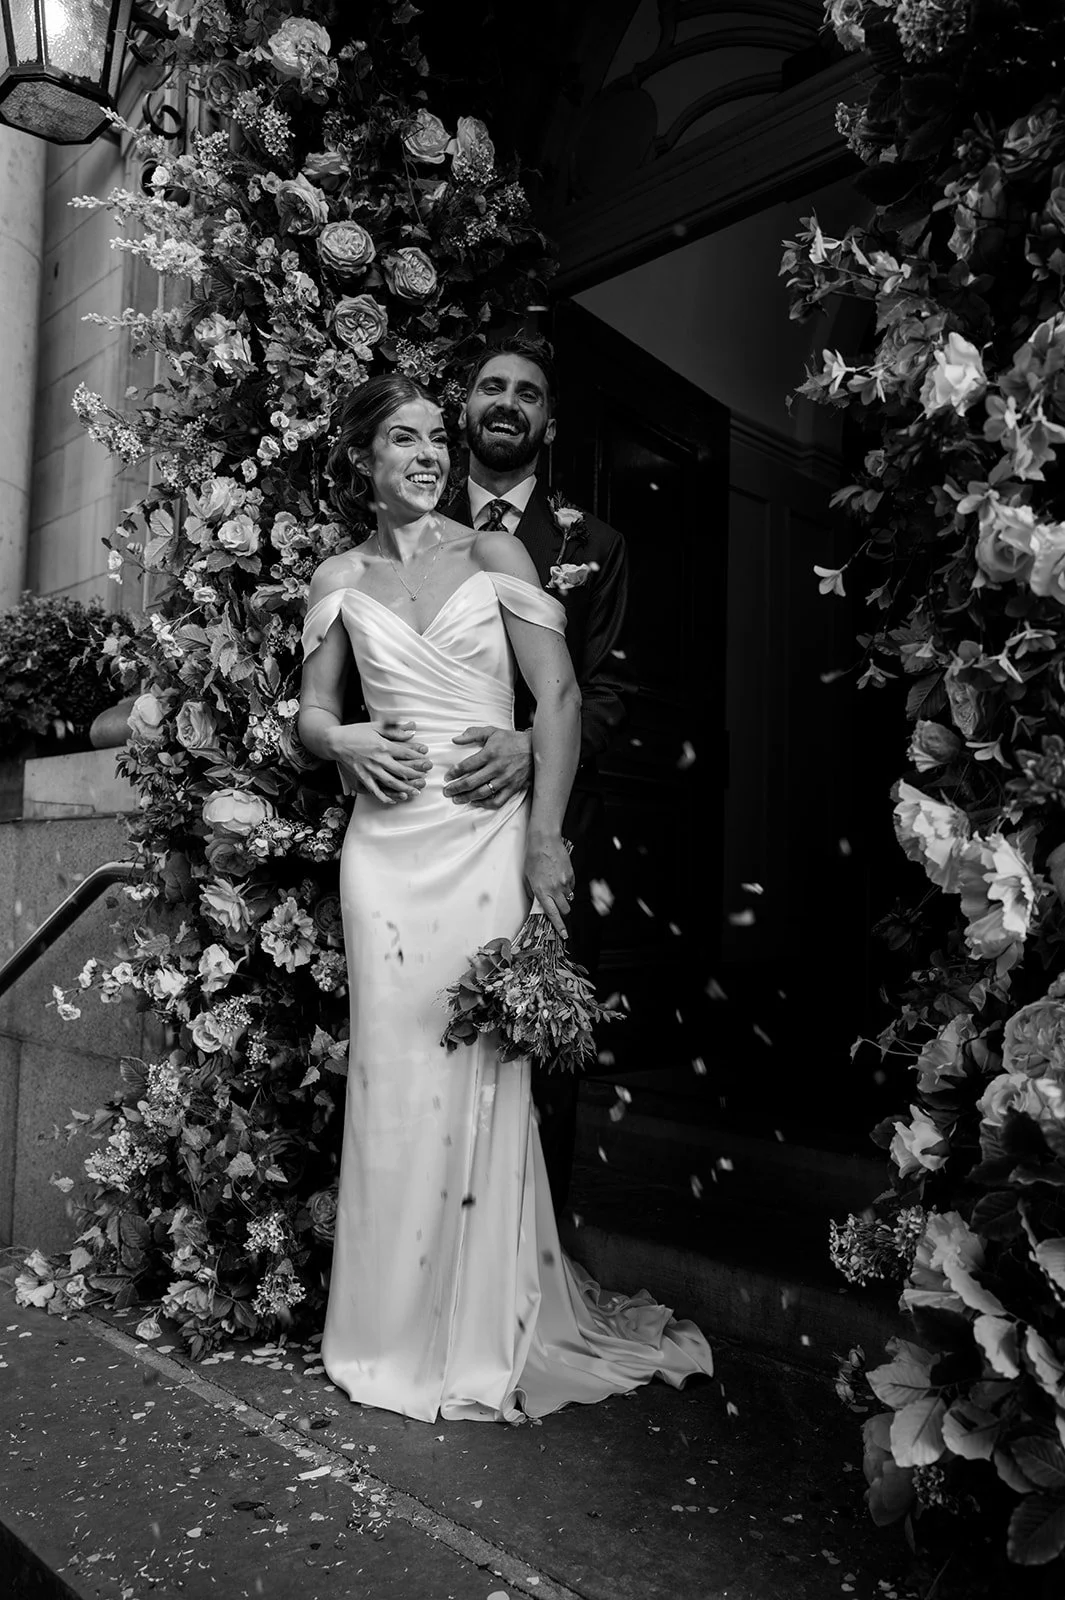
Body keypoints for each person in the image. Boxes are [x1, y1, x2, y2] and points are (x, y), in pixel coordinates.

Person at [298, 373, 712, 1424]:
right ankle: (385, 1328)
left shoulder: (496, 554)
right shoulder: (337, 573)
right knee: (392, 1083)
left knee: (479, 1072)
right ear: (365, 459)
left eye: (437, 437)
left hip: (483, 842)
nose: (431, 453)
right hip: (383, 856)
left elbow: (563, 694)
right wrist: (338, 736)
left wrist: (542, 847)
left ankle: (475, 1322)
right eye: (406, 438)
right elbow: (311, 708)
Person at [445, 336, 629, 1215]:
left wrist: (531, 742)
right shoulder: (415, 527)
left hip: (547, 822)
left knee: (542, 1036)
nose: (506, 402)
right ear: (463, 407)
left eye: (526, 392)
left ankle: (529, 1255)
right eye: (491, 387)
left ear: (547, 422)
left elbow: (612, 688)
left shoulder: (594, 542)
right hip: (435, 819)